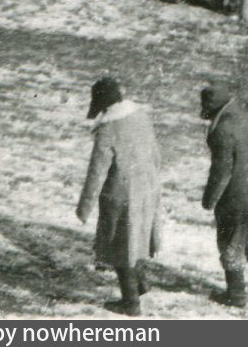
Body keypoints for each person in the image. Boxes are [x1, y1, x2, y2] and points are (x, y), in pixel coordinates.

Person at [77, 77, 163, 317]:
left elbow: (97, 171)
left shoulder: (108, 129)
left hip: (121, 194)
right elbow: (156, 153)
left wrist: (84, 207)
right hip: (148, 188)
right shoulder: (141, 117)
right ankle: (141, 284)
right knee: (138, 238)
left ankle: (130, 302)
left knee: (121, 246)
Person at [199, 83, 248, 309]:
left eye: (204, 106)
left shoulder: (222, 129)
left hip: (235, 198)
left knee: (229, 244)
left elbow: (222, 170)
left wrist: (209, 199)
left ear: (211, 106)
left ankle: (236, 294)